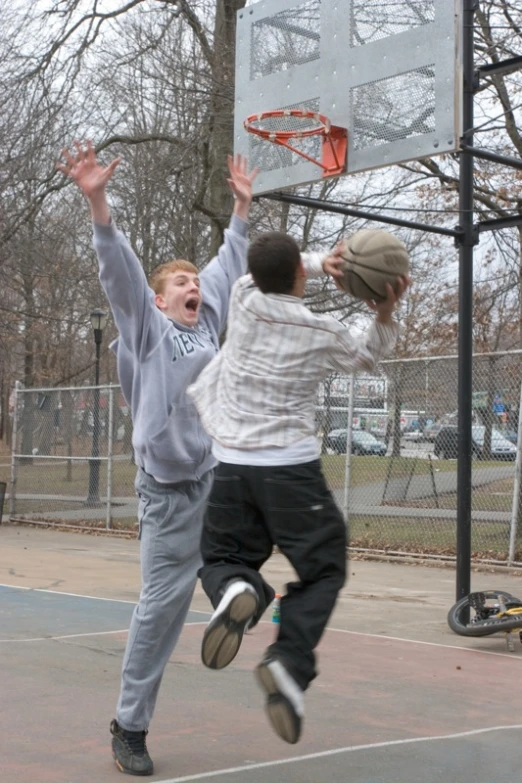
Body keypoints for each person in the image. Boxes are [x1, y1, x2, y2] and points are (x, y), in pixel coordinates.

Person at [57, 140, 258, 776]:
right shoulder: (148, 330)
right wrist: (98, 202)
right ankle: (129, 725)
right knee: (159, 616)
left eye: (193, 281)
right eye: (180, 281)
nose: (193, 284)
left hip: (214, 480)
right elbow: (121, 273)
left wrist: (242, 211)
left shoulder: (206, 320)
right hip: (168, 497)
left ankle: (233, 592)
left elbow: (227, 265)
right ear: (160, 298)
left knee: (262, 519)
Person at [188, 230, 407, 745]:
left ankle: (238, 589)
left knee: (222, 556)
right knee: (324, 567)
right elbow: (365, 357)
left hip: (233, 466)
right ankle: (288, 662)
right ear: (300, 277)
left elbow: (256, 270)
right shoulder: (320, 330)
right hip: (291, 470)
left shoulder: (242, 300)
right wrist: (382, 311)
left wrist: (311, 259)